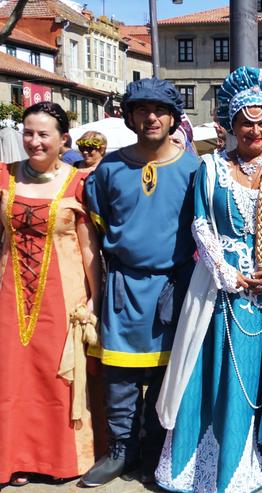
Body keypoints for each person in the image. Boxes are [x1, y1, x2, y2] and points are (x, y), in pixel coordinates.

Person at [155, 66, 262, 493]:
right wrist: (226, 271)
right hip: (218, 288)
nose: (254, 129)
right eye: (246, 121)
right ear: (231, 125)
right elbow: (200, 224)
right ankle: (213, 465)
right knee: (212, 371)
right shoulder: (210, 168)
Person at [81, 78, 200, 487]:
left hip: (174, 286)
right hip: (122, 287)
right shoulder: (108, 169)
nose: (151, 117)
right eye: (142, 110)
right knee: (120, 377)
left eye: (159, 110)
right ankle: (121, 451)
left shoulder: (193, 167)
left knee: (170, 377)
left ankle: (155, 451)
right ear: (129, 115)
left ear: (173, 117)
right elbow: (92, 235)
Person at [0, 102, 102, 486]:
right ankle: (13, 458)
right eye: (28, 132)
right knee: (12, 375)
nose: (34, 141)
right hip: (10, 293)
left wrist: (95, 299)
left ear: (63, 140)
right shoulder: (4, 177)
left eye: (44, 134)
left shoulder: (79, 183)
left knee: (57, 377)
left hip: (65, 294)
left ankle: (59, 459)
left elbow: (88, 245)